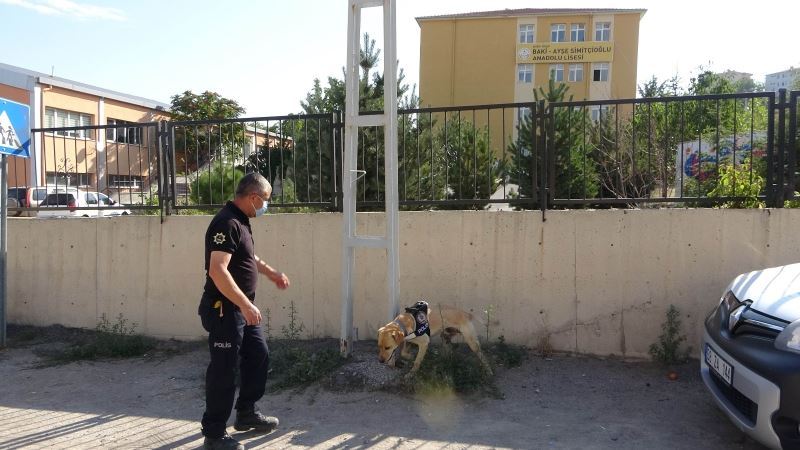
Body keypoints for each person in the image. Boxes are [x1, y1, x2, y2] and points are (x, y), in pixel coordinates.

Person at [198, 172, 290, 450]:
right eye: (265, 200)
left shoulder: (241, 221)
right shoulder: (226, 223)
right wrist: (245, 304)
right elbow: (217, 270)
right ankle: (214, 434)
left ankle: (246, 413)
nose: (266, 205)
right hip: (225, 309)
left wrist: (272, 273)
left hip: (241, 309)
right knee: (224, 371)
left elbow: (248, 257)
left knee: (258, 356)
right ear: (253, 197)